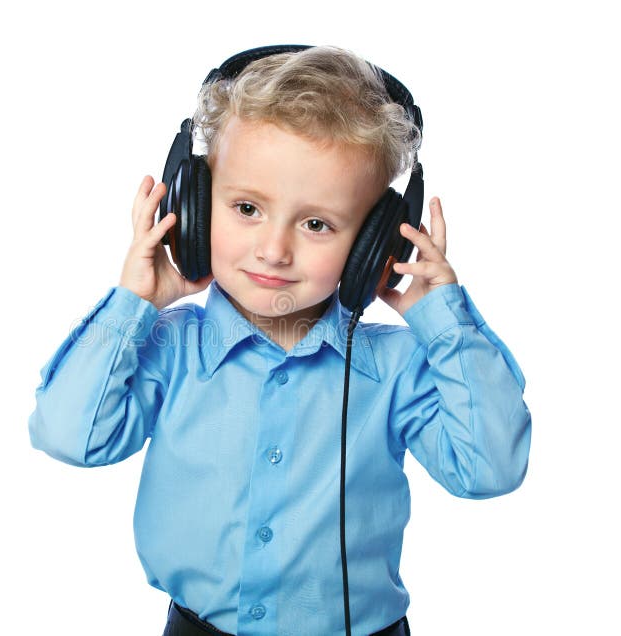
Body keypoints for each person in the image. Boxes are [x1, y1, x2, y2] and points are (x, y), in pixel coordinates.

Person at [28, 44, 531, 636]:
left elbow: (489, 470)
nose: (274, 249)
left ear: (377, 244)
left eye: (317, 223)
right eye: (246, 208)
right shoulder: (167, 350)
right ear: (191, 205)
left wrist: (442, 318)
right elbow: (70, 438)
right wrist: (134, 303)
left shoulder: (397, 368)